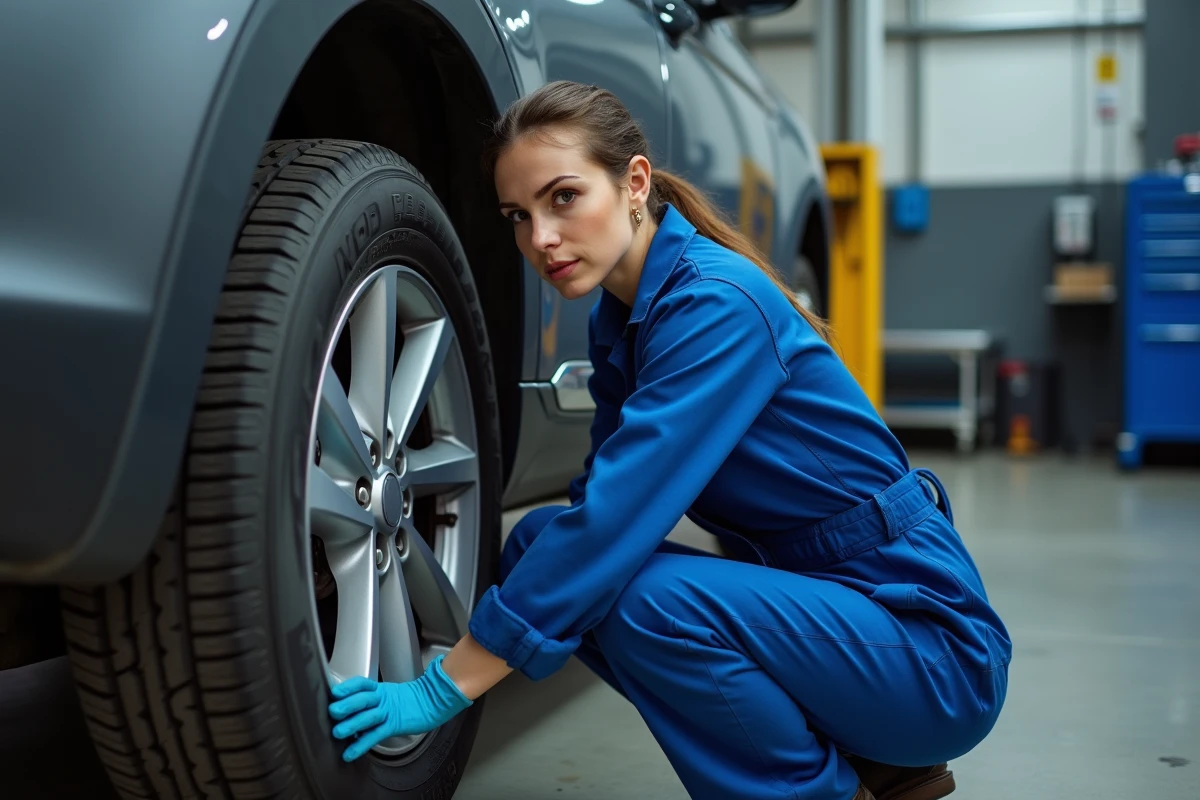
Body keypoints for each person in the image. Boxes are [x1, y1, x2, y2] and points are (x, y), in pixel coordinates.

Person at [326, 80, 1012, 800]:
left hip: (931, 651)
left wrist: (445, 687)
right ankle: (874, 764)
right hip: (837, 616)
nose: (540, 238)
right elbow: (597, 501)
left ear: (634, 183)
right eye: (517, 216)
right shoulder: (624, 317)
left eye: (563, 197)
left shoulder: (717, 304)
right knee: (539, 545)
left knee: (636, 595)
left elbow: (617, 523)